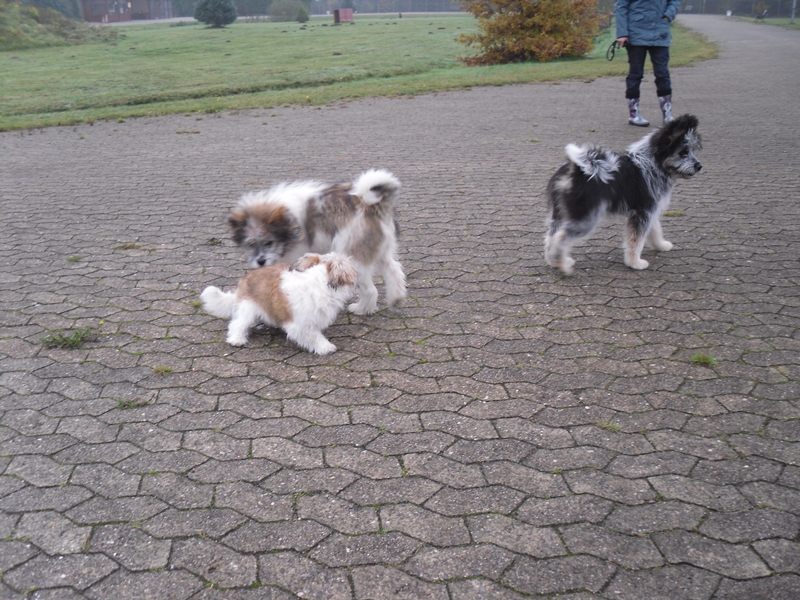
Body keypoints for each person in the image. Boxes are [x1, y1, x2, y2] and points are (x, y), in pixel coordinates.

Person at [615, 0, 681, 127]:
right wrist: (622, 33)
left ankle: (667, 114)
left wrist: (669, 15)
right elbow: (621, 6)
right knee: (635, 73)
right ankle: (634, 114)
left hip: (660, 32)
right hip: (635, 33)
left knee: (662, 73)